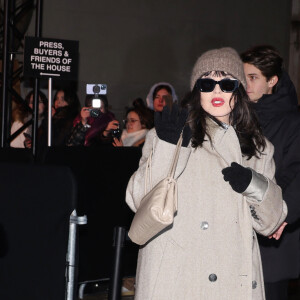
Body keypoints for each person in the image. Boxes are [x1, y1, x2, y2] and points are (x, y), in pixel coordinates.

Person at [126, 47, 287, 300]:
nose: (217, 91)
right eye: (207, 83)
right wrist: (168, 149)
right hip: (176, 276)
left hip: (234, 278)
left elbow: (271, 222)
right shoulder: (171, 134)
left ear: (239, 90)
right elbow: (138, 200)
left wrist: (252, 185)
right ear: (196, 90)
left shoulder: (259, 147)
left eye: (227, 83)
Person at [241, 45, 300, 300]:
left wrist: (280, 214)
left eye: (253, 77)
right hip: (239, 231)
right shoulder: (239, 114)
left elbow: (296, 173)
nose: (246, 84)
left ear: (272, 81)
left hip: (273, 234)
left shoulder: (292, 120)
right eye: (243, 77)